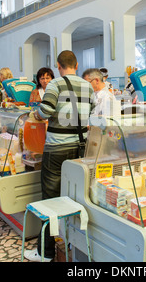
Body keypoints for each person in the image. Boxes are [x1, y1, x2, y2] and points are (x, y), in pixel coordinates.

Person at [24, 51, 95, 262]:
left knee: (50, 199)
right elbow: (89, 112)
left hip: (57, 149)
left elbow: (44, 112)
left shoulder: (55, 84)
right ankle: (71, 243)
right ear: (77, 64)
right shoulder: (88, 85)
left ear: (58, 65)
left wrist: (35, 115)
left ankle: (44, 253)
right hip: (80, 147)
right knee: (75, 197)